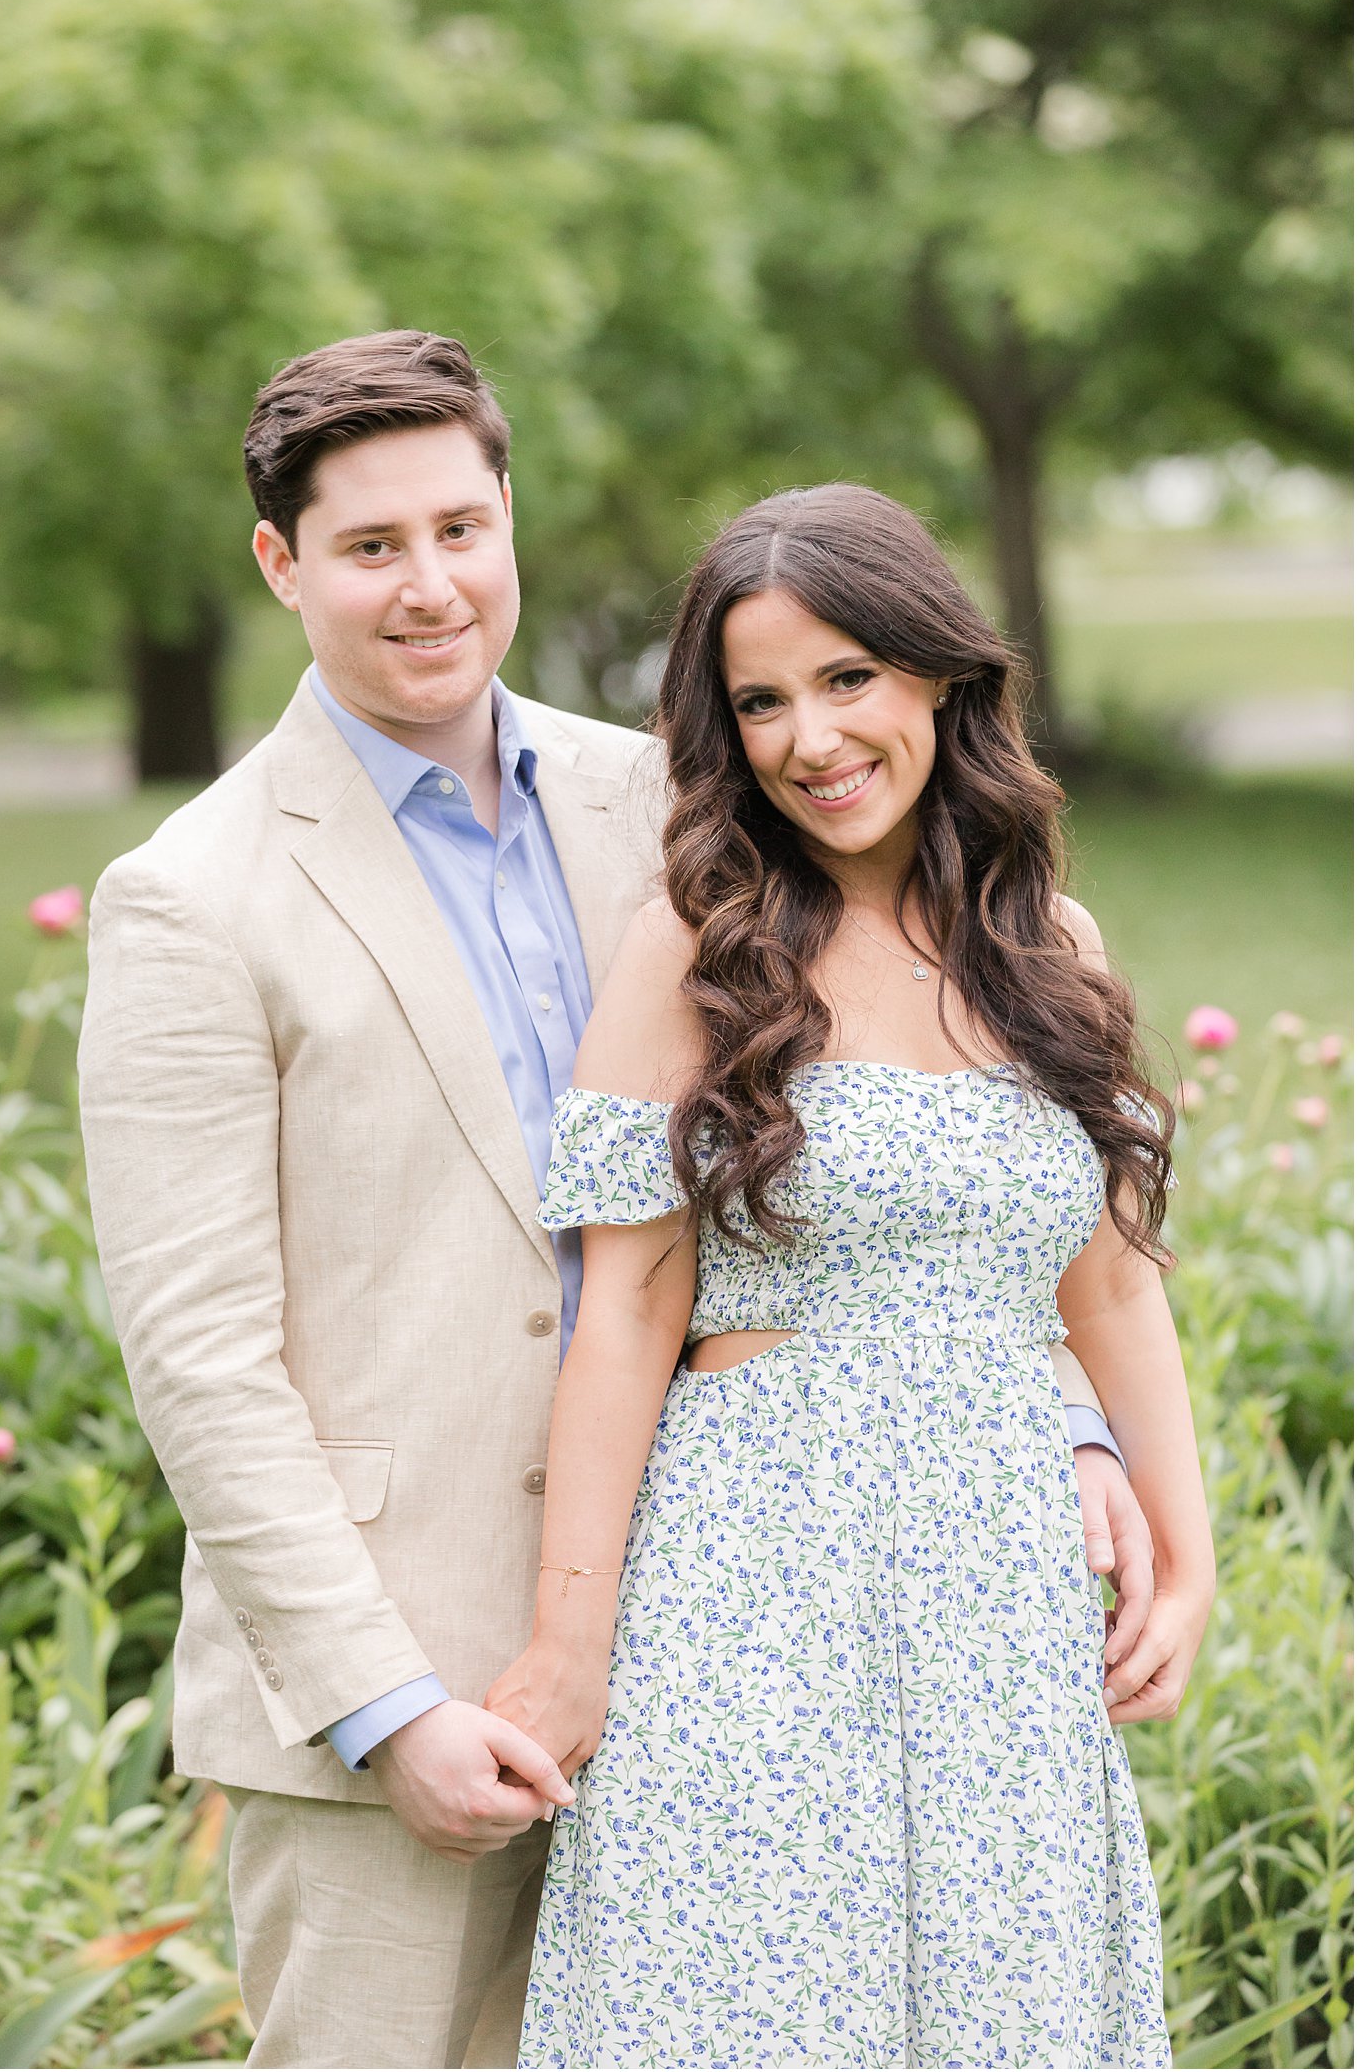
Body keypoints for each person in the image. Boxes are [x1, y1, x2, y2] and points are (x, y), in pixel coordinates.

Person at [78, 336, 1151, 2071]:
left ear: (510, 520)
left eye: (460, 526)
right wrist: (386, 1703)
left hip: (738, 1647)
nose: (428, 585)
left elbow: (943, 1125)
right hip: (400, 1687)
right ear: (282, 565)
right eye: (369, 546)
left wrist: (1067, 1416)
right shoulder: (191, 899)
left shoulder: (689, 799)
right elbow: (202, 1361)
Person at [495, 484, 1215, 2069]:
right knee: (754, 2012)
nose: (807, 737)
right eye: (760, 699)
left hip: (1000, 1602)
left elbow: (1107, 1291)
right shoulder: (696, 943)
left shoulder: (1052, 947)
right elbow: (623, 1312)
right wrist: (570, 1638)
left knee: (1000, 2009)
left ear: (940, 675)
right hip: (756, 1582)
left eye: (845, 679)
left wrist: (1185, 1542)